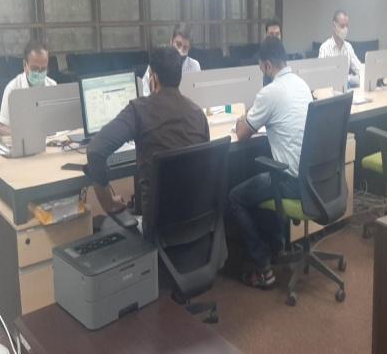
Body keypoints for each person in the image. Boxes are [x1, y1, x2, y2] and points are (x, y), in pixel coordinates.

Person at [229, 37, 313, 289]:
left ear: (267, 65)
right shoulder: (302, 85)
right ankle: (277, 247)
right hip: (313, 178)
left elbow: (242, 134)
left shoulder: (270, 92)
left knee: (235, 197)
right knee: (265, 174)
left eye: (261, 68)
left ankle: (262, 266)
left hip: (291, 182)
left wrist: (243, 117)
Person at [85, 47, 210, 215]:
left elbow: (95, 151)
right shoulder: (198, 113)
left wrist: (109, 203)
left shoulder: (139, 110)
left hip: (159, 222)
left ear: (154, 78)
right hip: (199, 218)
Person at [0, 41, 57, 136]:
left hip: (50, 141)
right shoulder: (13, 89)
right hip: (23, 141)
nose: (39, 73)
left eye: (43, 69)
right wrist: (25, 135)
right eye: (35, 68)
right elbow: (2, 129)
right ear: (25, 65)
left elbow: (58, 123)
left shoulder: (52, 85)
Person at [141, 23, 201, 96]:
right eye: (178, 45)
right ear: (171, 42)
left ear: (189, 48)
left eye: (185, 48)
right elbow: (144, 93)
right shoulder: (157, 62)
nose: (180, 52)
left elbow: (199, 93)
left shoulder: (194, 65)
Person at [318, 10, 362, 88]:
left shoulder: (348, 47)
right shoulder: (324, 48)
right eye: (342, 26)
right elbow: (320, 76)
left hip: (345, 89)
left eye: (347, 26)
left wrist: (352, 78)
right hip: (329, 91)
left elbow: (360, 70)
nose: (345, 29)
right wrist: (348, 78)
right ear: (334, 26)